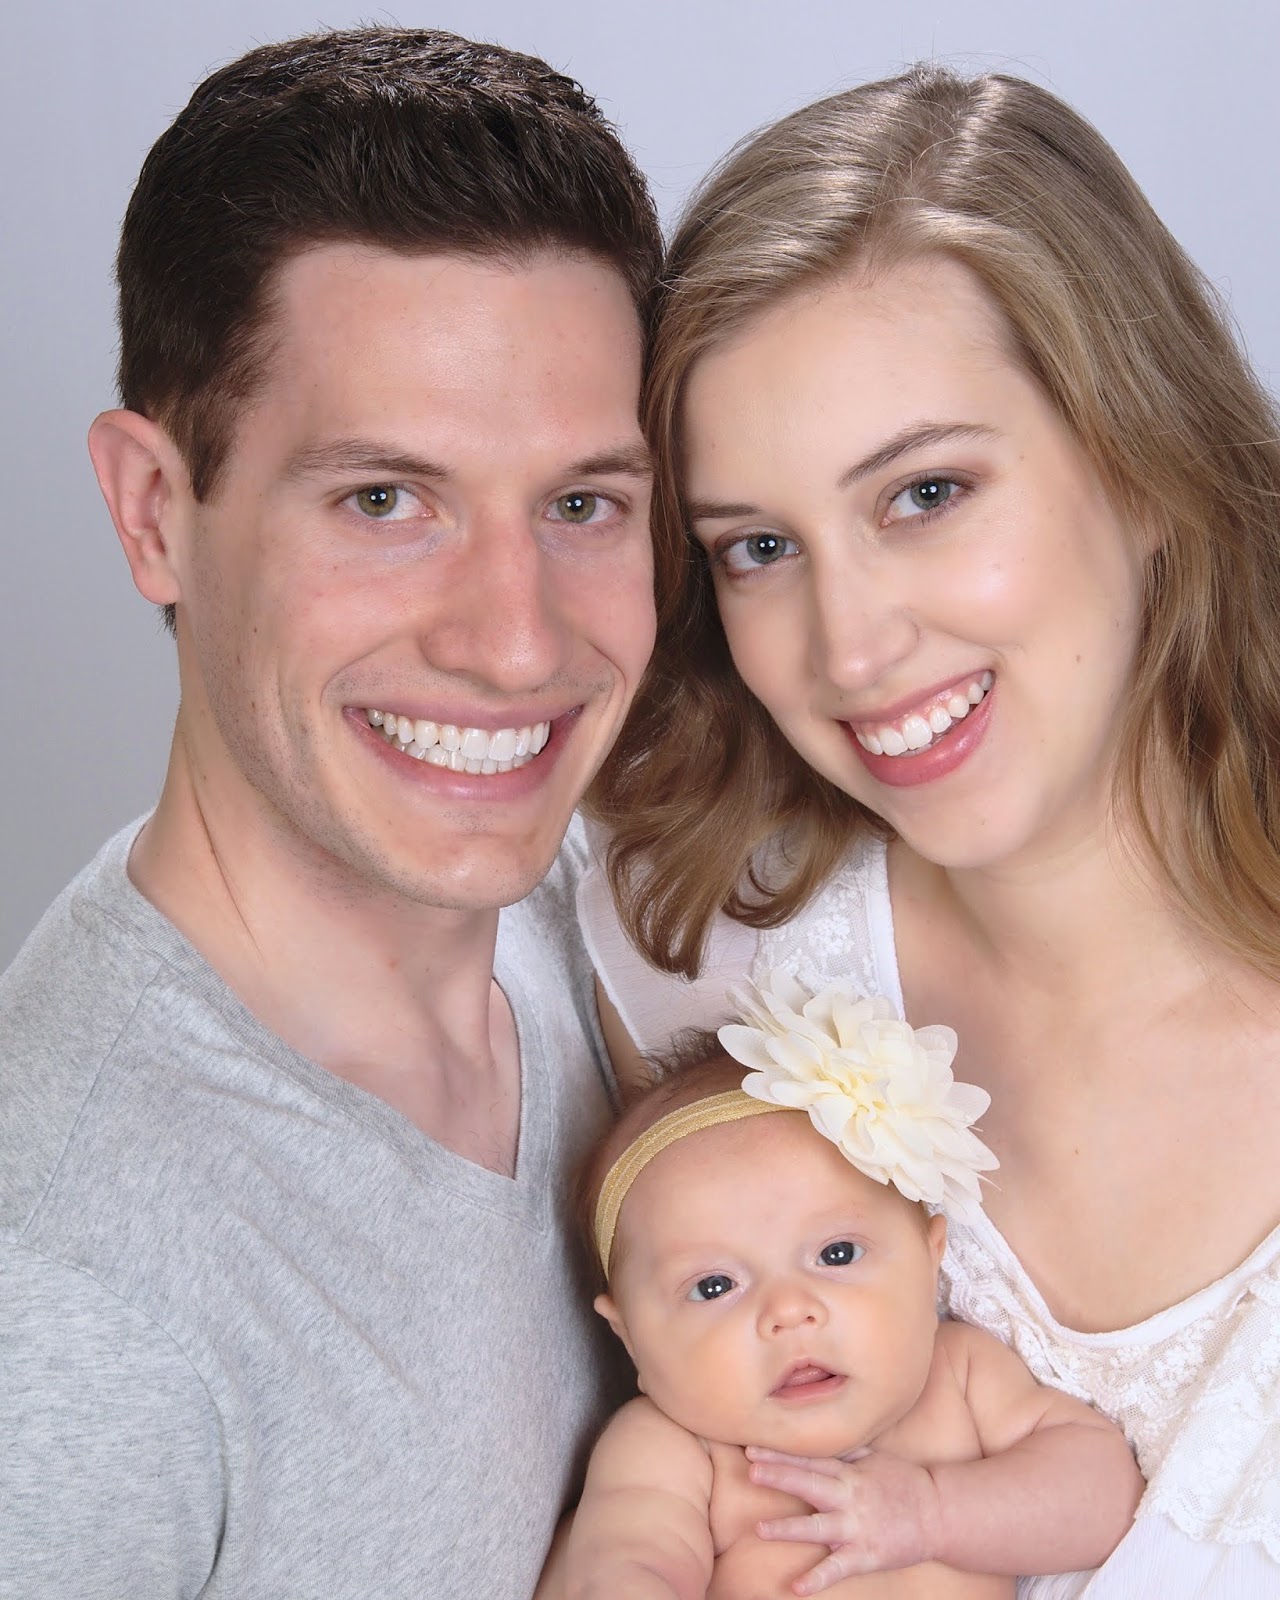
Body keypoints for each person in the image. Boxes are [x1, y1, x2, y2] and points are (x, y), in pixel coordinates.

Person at [580, 63, 1280, 1596]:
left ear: (1144, 465)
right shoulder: (699, 954)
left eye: (926, 493)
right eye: (760, 547)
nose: (849, 649)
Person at [0, 27, 660, 1598]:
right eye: (384, 501)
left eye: (581, 504)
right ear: (154, 512)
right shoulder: (73, 1306)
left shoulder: (610, 923)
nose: (517, 643)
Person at [553, 988, 1143, 1600]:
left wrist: (934, 1513)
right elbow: (624, 1562)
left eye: (836, 1254)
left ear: (929, 1262)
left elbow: (1108, 1497)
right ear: (630, 1337)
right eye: (714, 1286)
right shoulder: (673, 1449)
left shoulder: (960, 1376)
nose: (789, 1311)